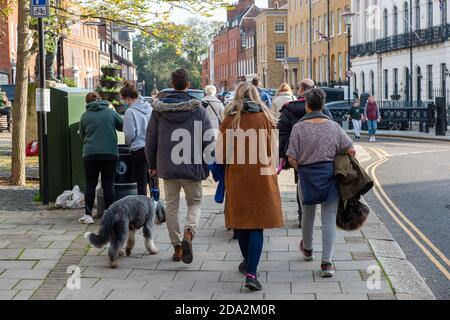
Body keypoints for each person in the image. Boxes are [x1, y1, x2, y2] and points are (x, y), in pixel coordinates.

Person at [216, 82, 283, 291]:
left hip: (237, 178)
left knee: (241, 222)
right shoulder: (266, 118)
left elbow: (220, 155)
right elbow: (274, 152)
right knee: (256, 224)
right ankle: (251, 272)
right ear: (256, 96)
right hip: (261, 178)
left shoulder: (230, 119)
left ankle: (247, 263)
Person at [146, 68, 214, 264]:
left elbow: (150, 139)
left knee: (172, 207)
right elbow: (208, 139)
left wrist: (152, 165)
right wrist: (208, 162)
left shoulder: (158, 111)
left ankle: (177, 247)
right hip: (192, 165)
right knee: (195, 202)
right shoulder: (199, 110)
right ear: (188, 85)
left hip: (167, 166)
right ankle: (188, 233)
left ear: (172, 83)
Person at [286, 88, 356, 278]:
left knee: (308, 214)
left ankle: (307, 249)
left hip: (307, 176)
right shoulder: (334, 127)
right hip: (329, 176)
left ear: (307, 106)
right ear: (323, 105)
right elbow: (351, 150)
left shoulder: (299, 128)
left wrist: (301, 168)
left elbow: (291, 157)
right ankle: (327, 263)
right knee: (328, 217)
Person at [278, 78, 333, 228]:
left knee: (301, 182)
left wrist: (283, 155)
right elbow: (332, 127)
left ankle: (303, 215)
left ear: (301, 90)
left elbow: (282, 132)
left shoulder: (289, 108)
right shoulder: (323, 108)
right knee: (321, 182)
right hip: (320, 151)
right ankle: (320, 213)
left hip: (297, 152)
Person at [79, 92, 123, 224]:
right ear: (100, 99)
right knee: (108, 184)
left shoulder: (85, 116)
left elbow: (82, 135)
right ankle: (110, 215)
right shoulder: (110, 112)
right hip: (110, 153)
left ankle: (88, 215)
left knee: (91, 184)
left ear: (87, 103)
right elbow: (121, 126)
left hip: (90, 154)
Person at [121, 82, 153, 196]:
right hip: (151, 148)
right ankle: (157, 208)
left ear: (128, 99)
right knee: (153, 182)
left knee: (141, 184)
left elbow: (129, 134)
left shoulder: (130, 112)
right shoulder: (149, 108)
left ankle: (143, 212)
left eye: (124, 100)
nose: (124, 102)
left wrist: (130, 144)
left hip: (138, 150)